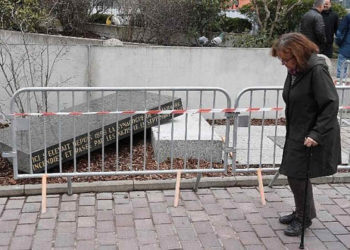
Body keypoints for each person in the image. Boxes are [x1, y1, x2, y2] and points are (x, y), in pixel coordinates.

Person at [271, 33, 341, 237]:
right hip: (297, 129)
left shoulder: (316, 70)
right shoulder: (295, 70)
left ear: (298, 54)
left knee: (298, 174)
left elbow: (330, 104)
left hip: (312, 133)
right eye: (281, 60)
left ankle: (304, 218)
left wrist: (316, 133)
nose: (284, 64)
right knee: (295, 174)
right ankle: (303, 212)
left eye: (286, 59)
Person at [335, 13, 350, 78]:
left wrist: (339, 43)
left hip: (346, 47)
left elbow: (339, 33)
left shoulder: (348, 17)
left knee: (341, 73)